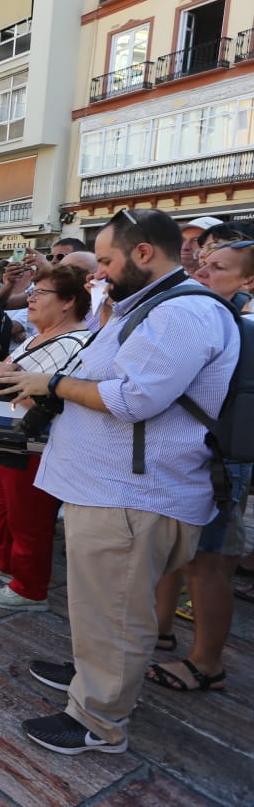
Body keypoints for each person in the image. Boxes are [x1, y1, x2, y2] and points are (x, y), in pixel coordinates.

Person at [0, 208, 239, 756]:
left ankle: (99, 721)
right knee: (102, 607)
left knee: (118, 615)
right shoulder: (147, 308)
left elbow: (134, 399)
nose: (97, 273)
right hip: (110, 490)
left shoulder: (181, 314)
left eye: (105, 261)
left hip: (131, 496)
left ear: (143, 253)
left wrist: (49, 382)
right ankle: (91, 673)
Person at [145, 237, 253, 692]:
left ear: (248, 280)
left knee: (207, 563)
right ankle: (160, 631)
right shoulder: (218, 318)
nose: (201, 272)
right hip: (200, 454)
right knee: (174, 551)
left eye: (218, 268)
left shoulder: (243, 327)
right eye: (203, 263)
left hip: (223, 460)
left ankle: (207, 663)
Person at [0, 265, 90, 610]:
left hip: (35, 442)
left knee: (29, 517)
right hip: (7, 437)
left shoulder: (76, 342)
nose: (30, 298)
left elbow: (51, 398)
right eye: (33, 291)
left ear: (69, 301)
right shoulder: (35, 338)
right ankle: (5, 563)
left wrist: (6, 377)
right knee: (1, 504)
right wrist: (6, 376)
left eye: (41, 293)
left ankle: (29, 588)